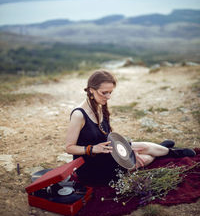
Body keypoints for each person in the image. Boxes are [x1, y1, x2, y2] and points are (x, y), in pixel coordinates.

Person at [66, 70, 196, 185]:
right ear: (91, 90)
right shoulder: (78, 115)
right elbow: (69, 148)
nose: (108, 97)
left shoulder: (99, 105)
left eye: (110, 93)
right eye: (104, 93)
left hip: (108, 151)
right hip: (92, 167)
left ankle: (171, 151)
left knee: (143, 147)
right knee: (145, 159)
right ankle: (160, 152)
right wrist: (93, 148)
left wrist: (125, 150)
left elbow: (106, 136)